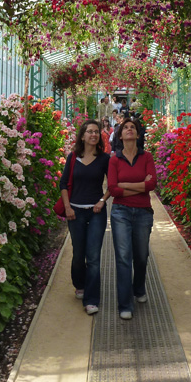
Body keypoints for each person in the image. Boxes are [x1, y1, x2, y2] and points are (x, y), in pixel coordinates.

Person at [107, 117, 157, 320]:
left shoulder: (147, 157)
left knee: (142, 256)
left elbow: (151, 184)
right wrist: (139, 186)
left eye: (133, 128)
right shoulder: (114, 159)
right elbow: (112, 189)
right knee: (123, 256)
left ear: (138, 134)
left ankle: (139, 288)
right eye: (125, 128)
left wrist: (124, 184)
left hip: (143, 212)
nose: (129, 130)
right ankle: (125, 304)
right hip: (121, 212)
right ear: (120, 135)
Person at [59, 119, 110, 315]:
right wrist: (67, 207)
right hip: (75, 212)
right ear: (82, 136)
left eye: (96, 131)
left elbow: (112, 184)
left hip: (96, 211)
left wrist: (102, 200)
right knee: (79, 254)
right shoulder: (73, 157)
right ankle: (79, 283)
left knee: (94, 256)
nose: (93, 134)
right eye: (89, 131)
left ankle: (92, 299)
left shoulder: (104, 159)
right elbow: (63, 184)